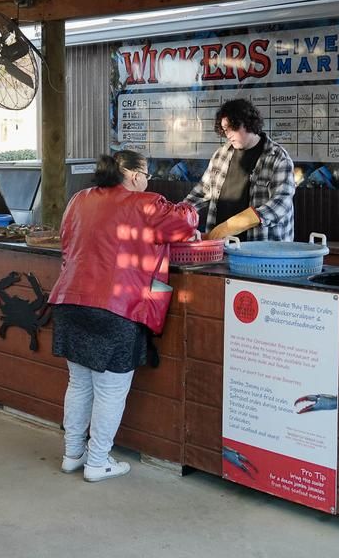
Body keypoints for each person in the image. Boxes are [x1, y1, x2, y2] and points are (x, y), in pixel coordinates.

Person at [49, 150, 198, 482]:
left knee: (79, 383)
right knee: (110, 390)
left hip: (69, 301)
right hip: (116, 307)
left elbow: (65, 242)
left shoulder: (79, 199)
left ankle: (73, 454)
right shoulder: (146, 203)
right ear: (133, 175)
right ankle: (98, 462)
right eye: (146, 173)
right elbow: (185, 222)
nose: (147, 180)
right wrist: (190, 206)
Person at [186, 98, 295, 241]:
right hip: (220, 247)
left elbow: (281, 204)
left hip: (263, 252)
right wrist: (176, 214)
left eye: (234, 127)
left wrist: (233, 225)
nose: (228, 134)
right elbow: (200, 193)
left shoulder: (278, 158)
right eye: (225, 130)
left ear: (249, 123)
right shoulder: (221, 155)